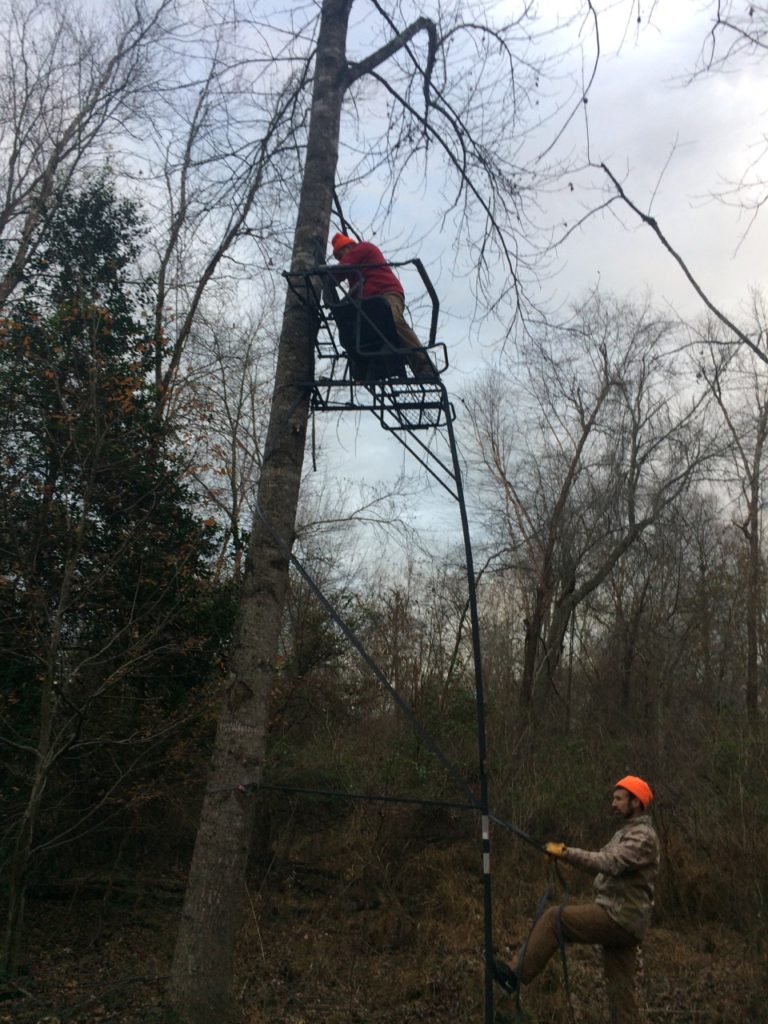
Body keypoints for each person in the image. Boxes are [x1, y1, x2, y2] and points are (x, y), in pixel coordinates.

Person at [494, 775, 660, 1024]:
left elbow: (609, 863)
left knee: (554, 919)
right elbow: (600, 865)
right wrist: (563, 856)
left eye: (618, 799)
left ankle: (513, 976)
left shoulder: (642, 837)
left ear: (635, 802)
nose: (613, 804)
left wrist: (567, 852)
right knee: (621, 993)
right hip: (627, 920)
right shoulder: (626, 834)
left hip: (619, 916)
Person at [328, 232, 437, 379]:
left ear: (349, 247)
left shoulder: (363, 249)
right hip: (370, 306)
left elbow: (339, 272)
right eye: (339, 257)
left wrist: (321, 274)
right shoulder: (355, 277)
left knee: (394, 319)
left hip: (387, 293)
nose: (342, 258)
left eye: (342, 254)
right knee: (362, 333)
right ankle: (367, 368)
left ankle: (424, 365)